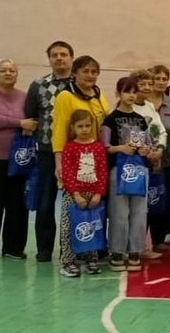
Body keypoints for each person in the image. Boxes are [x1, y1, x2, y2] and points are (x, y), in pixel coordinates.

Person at [0, 59, 37, 260]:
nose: (8, 73)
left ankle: (13, 247)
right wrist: (19, 123)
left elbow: (32, 120)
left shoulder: (24, 97)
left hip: (19, 160)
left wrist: (29, 127)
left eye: (12, 70)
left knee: (18, 204)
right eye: (3, 70)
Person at [23, 40, 73, 262]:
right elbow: (30, 116)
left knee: (74, 201)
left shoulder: (80, 85)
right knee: (45, 201)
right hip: (46, 152)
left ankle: (70, 249)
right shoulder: (38, 85)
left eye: (63, 54)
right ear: (49, 59)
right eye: (55, 55)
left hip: (75, 152)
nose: (59, 58)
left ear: (71, 58)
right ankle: (44, 250)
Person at [102, 77, 154, 272]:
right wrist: (121, 148)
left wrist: (146, 151)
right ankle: (117, 251)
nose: (131, 95)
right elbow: (105, 147)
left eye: (134, 91)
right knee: (119, 212)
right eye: (126, 91)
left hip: (140, 170)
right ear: (118, 93)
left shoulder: (141, 120)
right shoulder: (110, 119)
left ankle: (135, 251)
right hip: (118, 169)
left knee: (139, 212)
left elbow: (148, 144)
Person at [58, 110, 108, 277]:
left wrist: (98, 194)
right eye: (80, 126)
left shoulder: (98, 147)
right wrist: (76, 194)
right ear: (73, 127)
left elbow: (102, 172)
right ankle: (67, 262)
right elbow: (68, 173)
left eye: (87, 125)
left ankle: (91, 258)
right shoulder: (70, 147)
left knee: (91, 226)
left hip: (93, 195)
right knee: (69, 228)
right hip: (73, 196)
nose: (85, 129)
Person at [52, 56, 110, 186]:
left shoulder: (99, 94)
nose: (90, 75)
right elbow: (59, 130)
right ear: (74, 73)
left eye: (94, 72)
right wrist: (59, 163)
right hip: (76, 157)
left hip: (98, 155)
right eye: (85, 71)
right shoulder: (66, 96)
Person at [130, 69, 167, 259]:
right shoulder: (126, 108)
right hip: (132, 163)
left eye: (149, 84)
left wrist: (159, 150)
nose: (146, 87)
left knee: (147, 206)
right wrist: (142, 151)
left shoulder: (150, 107)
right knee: (133, 208)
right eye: (141, 83)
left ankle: (141, 246)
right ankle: (132, 247)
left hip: (151, 162)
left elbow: (160, 131)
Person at [147, 64, 170, 250]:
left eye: (164, 79)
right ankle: (137, 242)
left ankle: (158, 240)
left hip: (167, 160)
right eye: (156, 79)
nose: (160, 82)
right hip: (145, 160)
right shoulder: (141, 102)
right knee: (146, 201)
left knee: (163, 200)